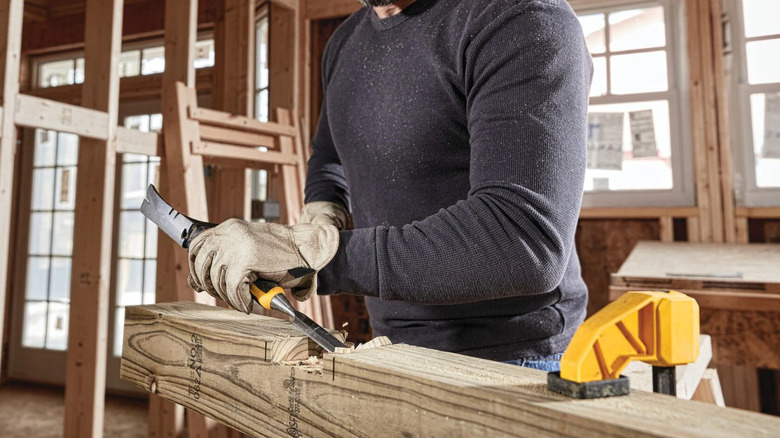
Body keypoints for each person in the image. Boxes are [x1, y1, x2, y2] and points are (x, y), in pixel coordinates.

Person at [187, 0, 592, 372]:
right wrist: (323, 209)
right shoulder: (346, 42)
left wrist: (311, 254)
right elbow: (330, 157)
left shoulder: (520, 19)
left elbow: (521, 242)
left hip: (515, 358)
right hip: (391, 347)